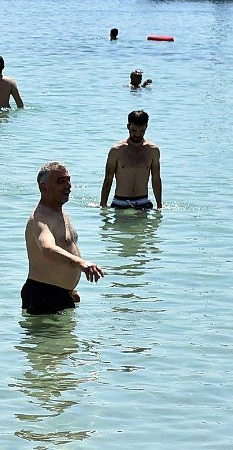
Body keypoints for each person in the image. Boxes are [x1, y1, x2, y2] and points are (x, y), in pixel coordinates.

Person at [23, 161, 104, 315]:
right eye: (61, 181)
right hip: (43, 296)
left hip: (60, 295)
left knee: (66, 339)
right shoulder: (40, 218)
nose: (68, 185)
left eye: (68, 180)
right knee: (49, 340)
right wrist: (81, 263)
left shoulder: (60, 214)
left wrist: (69, 288)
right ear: (44, 187)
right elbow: (47, 248)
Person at [100, 110, 162, 210]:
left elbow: (156, 179)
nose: (137, 135)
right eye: (134, 131)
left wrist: (159, 206)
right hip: (120, 202)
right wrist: (103, 206)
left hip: (143, 202)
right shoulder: (116, 150)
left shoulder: (153, 150)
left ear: (146, 127)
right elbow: (108, 179)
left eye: (141, 131)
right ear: (128, 126)